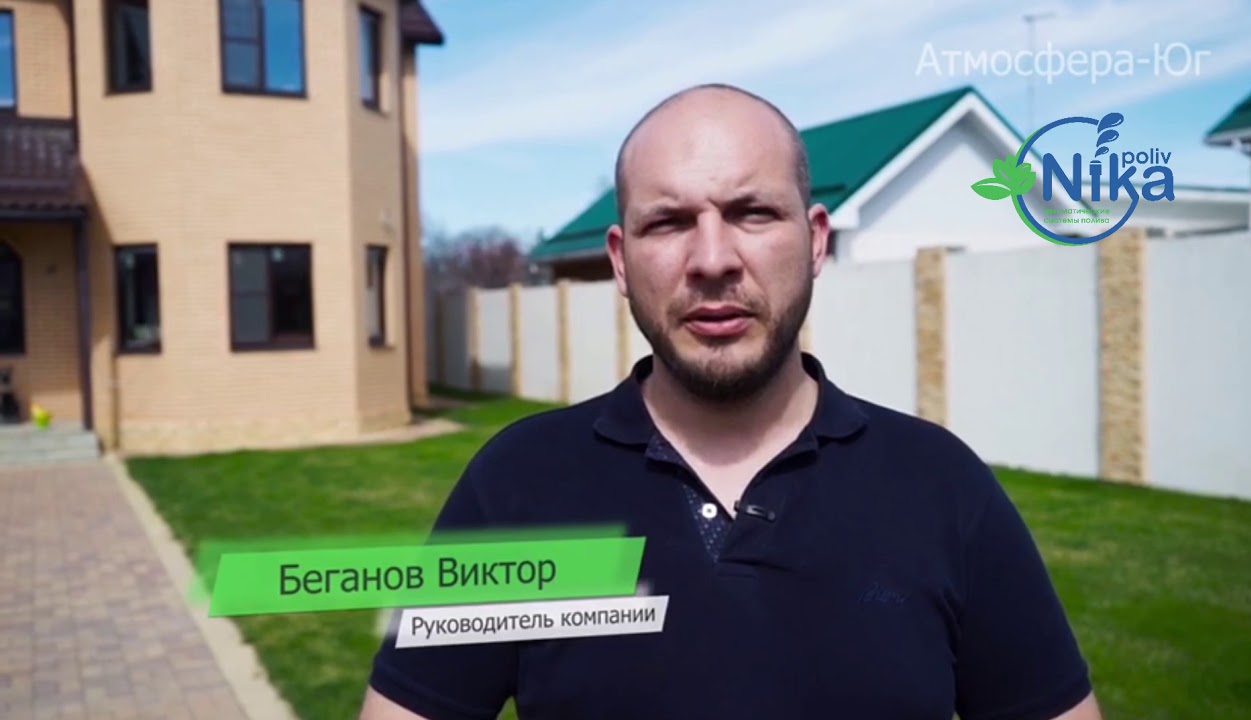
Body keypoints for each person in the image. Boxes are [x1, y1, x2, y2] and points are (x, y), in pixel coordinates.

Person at [359, 83, 1103, 720]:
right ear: (621, 260)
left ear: (815, 240)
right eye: (669, 222)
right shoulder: (518, 484)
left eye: (752, 213)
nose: (712, 260)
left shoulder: (941, 486)